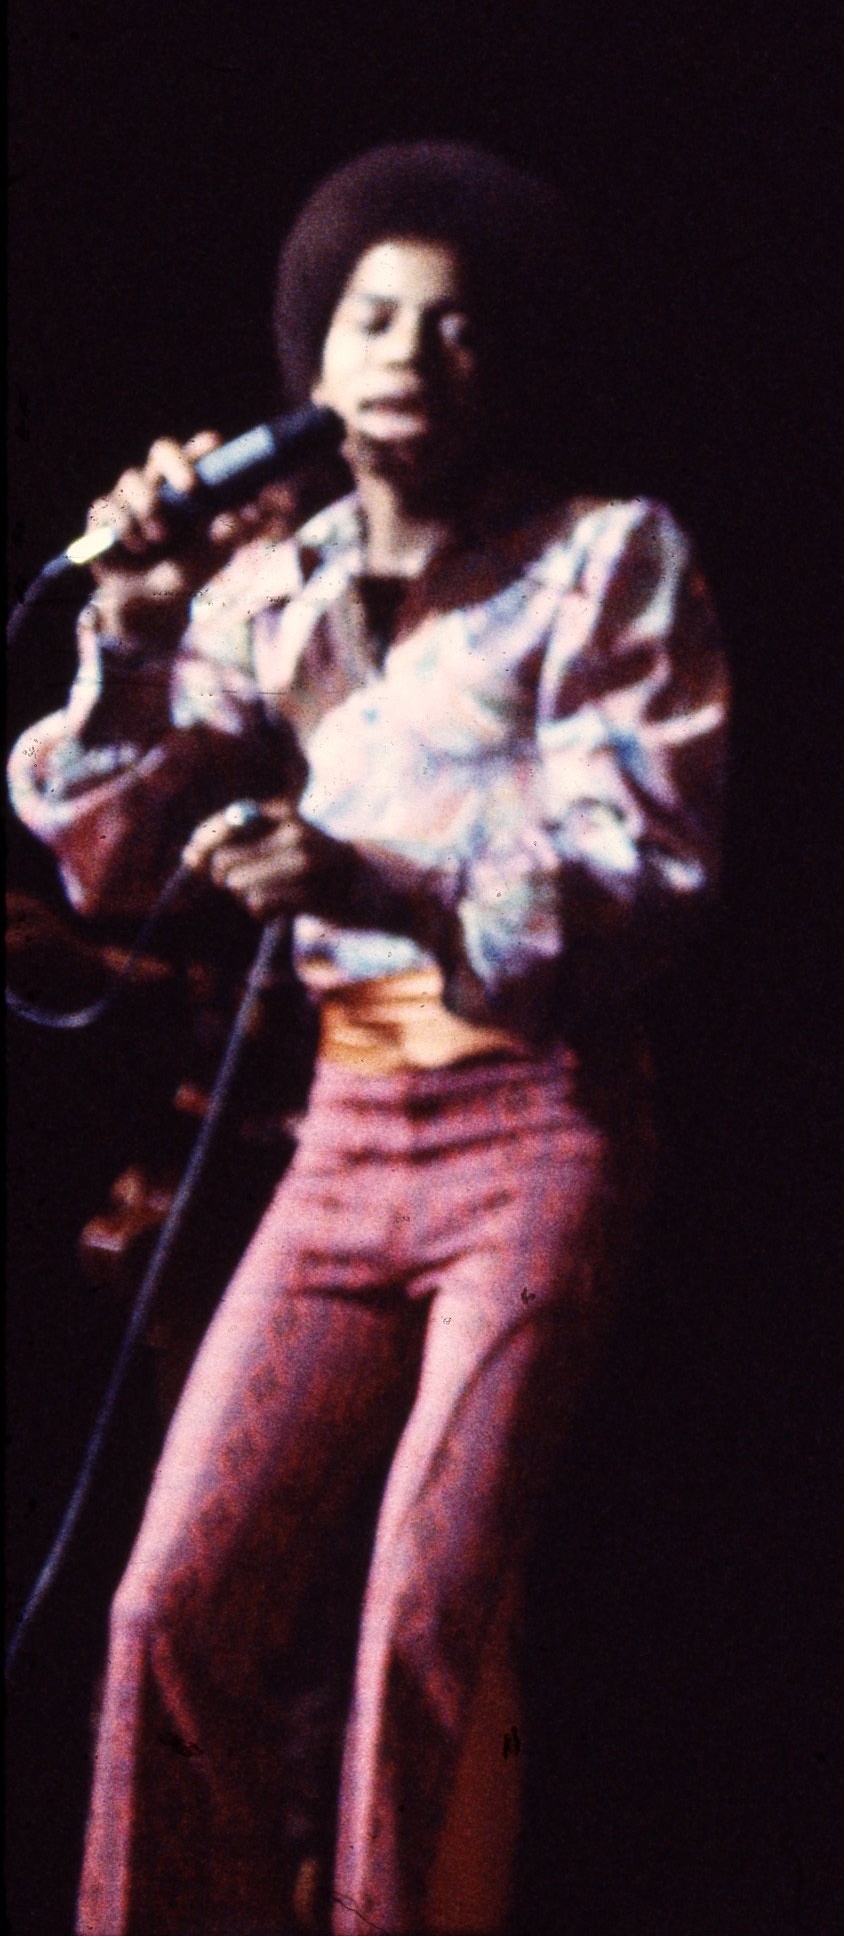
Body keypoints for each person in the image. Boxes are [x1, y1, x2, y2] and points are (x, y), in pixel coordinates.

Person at [12, 142, 726, 1934]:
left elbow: (642, 864)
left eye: (458, 326)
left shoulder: (601, 564)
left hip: (534, 1120)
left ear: (514, 365)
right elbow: (101, 849)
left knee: (430, 1601)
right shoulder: (278, 589)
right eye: (373, 316)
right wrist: (135, 634)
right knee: (174, 1598)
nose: (409, 350)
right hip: (343, 1131)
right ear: (312, 361)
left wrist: (368, 869)